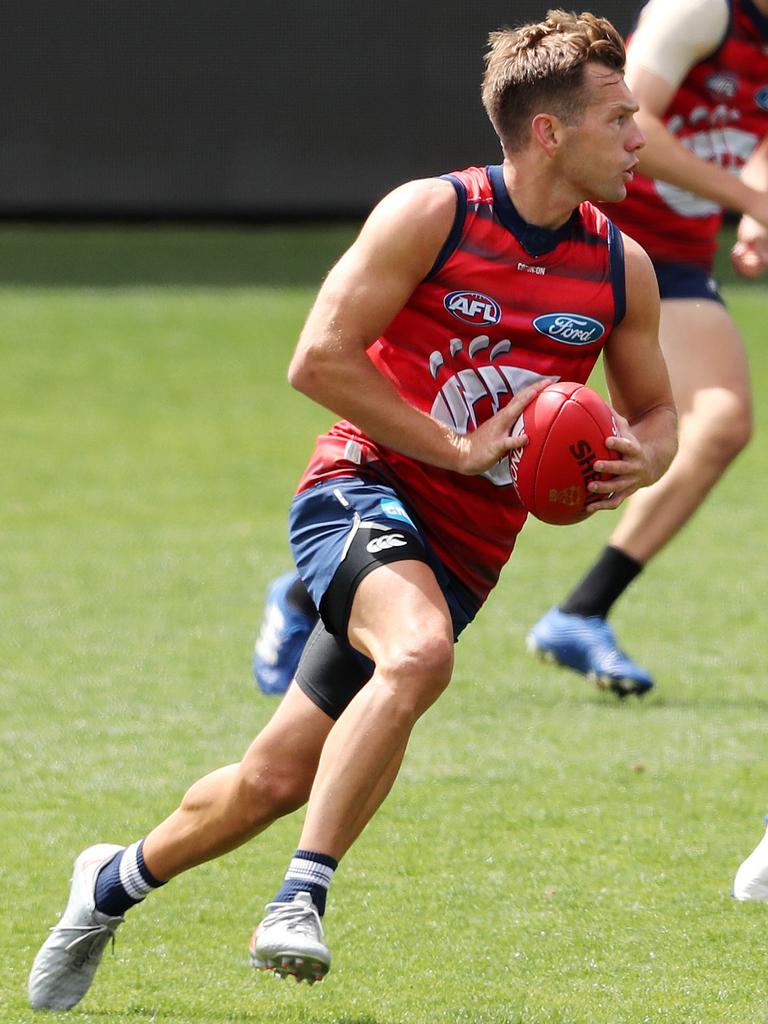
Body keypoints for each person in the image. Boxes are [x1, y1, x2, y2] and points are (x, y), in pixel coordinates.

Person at [28, 10, 677, 1011]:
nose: (640, 136)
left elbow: (661, 413)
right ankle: (301, 897)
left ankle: (108, 882)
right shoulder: (434, 214)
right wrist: (455, 446)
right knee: (418, 656)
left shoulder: (616, 266)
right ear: (552, 133)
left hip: (465, 549)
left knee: (275, 774)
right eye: (619, 118)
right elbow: (317, 359)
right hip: (358, 490)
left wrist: (640, 459)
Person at [526, 0, 768, 697]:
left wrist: (755, 203)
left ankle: (581, 611)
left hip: (673, 259)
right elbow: (636, 125)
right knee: (490, 429)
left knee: (720, 423)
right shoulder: (701, 9)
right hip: (577, 234)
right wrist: (749, 200)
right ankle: (315, 592)